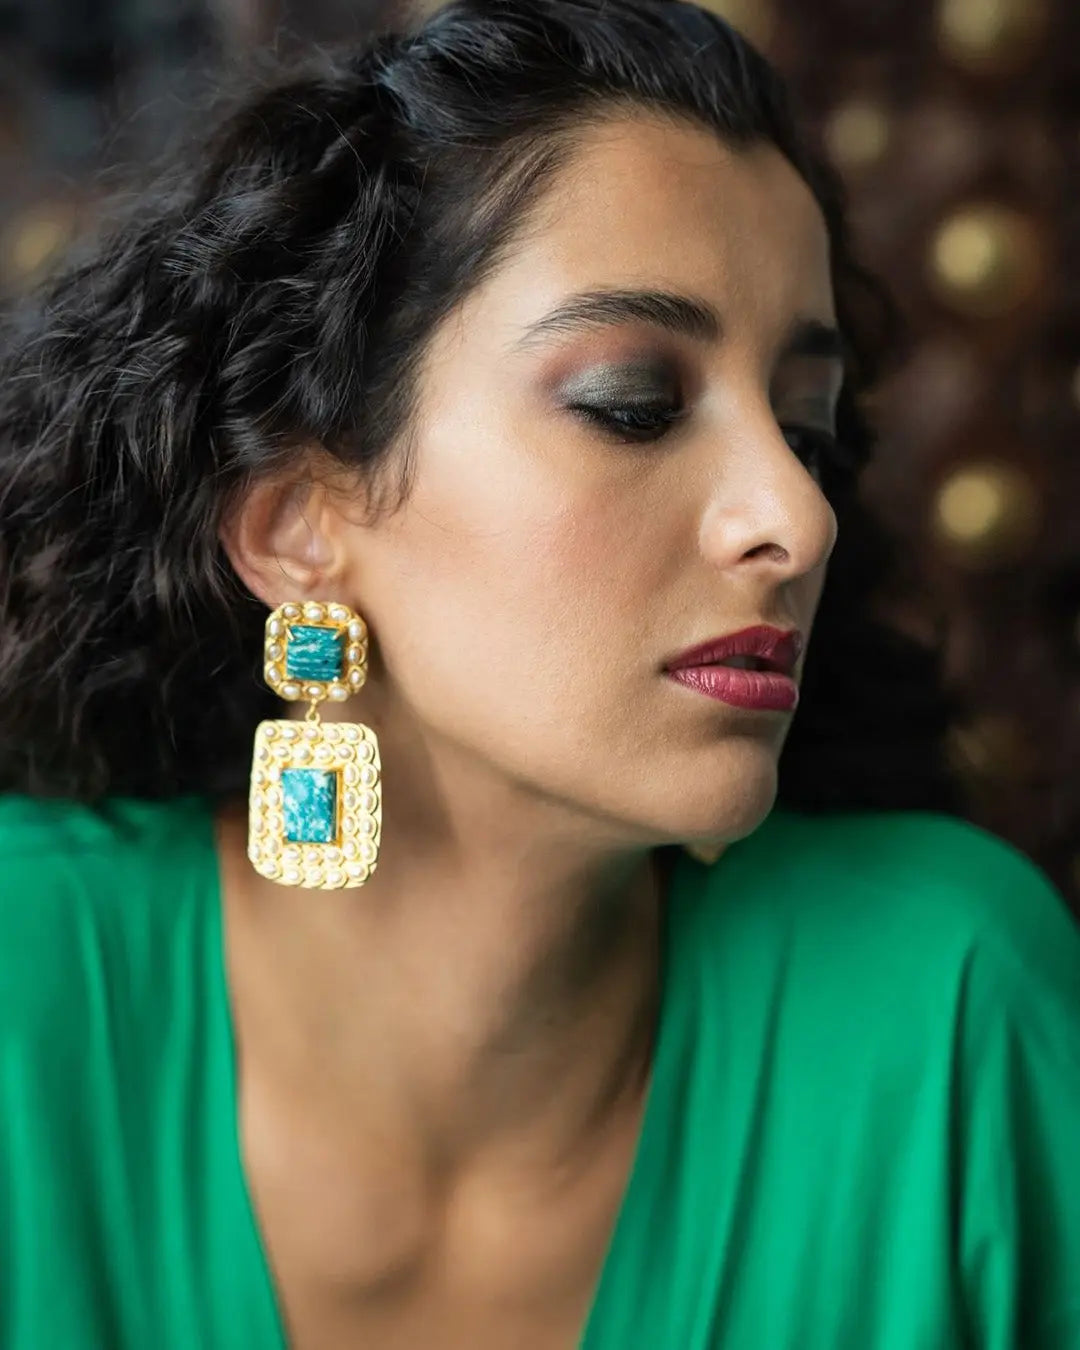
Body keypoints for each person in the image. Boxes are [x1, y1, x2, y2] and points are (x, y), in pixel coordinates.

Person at [0, 1, 1077, 1345]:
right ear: (297, 526)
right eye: (634, 405)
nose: (797, 520)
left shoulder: (949, 1009)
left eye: (806, 431)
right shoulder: (26, 989)